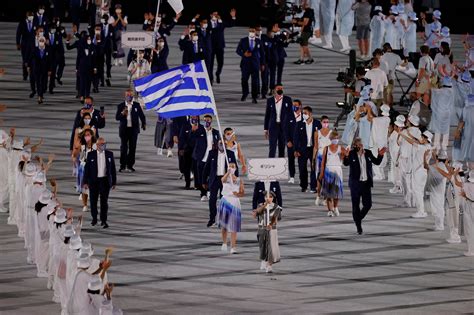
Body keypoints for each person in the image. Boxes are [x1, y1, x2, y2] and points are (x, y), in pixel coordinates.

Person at [343, 137, 386, 234]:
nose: (361, 145)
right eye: (358, 144)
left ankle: (358, 219)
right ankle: (359, 226)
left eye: (361, 143)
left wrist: (380, 155)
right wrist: (345, 156)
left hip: (366, 184)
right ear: (355, 146)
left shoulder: (368, 153)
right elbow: (346, 163)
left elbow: (377, 162)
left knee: (368, 205)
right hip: (355, 184)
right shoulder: (351, 154)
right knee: (355, 206)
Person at [83, 137, 117, 228]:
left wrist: (114, 182)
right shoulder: (91, 155)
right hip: (94, 181)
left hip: (105, 181)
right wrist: (85, 182)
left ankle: (104, 220)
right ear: (97, 145)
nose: (103, 145)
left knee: (104, 202)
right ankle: (94, 219)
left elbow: (113, 169)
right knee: (93, 202)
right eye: (101, 144)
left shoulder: (110, 154)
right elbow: (87, 169)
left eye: (104, 143)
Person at [202, 141, 238, 228]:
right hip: (214, 179)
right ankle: (212, 218)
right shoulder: (212, 153)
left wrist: (235, 179)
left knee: (224, 200)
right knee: (212, 200)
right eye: (220, 143)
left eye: (224, 144)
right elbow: (206, 168)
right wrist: (203, 181)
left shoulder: (230, 154)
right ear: (217, 144)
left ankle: (223, 220)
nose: (222, 145)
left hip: (225, 180)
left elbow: (235, 168)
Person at [115, 90, 146, 172]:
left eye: (131, 95)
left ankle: (130, 165)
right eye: (127, 95)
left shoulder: (136, 105)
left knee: (132, 148)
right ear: (125, 96)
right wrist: (122, 114)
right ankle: (122, 165)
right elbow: (117, 118)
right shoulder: (121, 106)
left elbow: (142, 116)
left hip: (134, 130)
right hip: (124, 130)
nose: (129, 96)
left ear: (133, 96)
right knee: (124, 148)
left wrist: (143, 124)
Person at [217, 163, 244, 254]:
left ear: (236, 168)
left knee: (234, 226)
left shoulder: (239, 180)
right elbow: (222, 180)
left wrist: (238, 194)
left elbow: (242, 193)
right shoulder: (226, 178)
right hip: (225, 201)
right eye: (230, 166)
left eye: (233, 167)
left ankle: (233, 247)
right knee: (224, 225)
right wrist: (228, 173)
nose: (231, 168)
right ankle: (224, 242)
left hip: (235, 202)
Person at [293, 106, 322, 193]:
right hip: (302, 150)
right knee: (302, 168)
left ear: (310, 113)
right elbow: (296, 138)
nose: (304, 115)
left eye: (305, 113)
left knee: (314, 168)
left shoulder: (317, 123)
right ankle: (304, 185)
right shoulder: (299, 124)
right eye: (303, 113)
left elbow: (321, 137)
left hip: (313, 149)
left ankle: (313, 186)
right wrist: (296, 150)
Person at [253, 191, 282, 273]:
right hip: (262, 229)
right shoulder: (260, 205)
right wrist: (265, 204)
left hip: (271, 229)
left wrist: (271, 224)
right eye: (266, 196)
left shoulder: (276, 207)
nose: (268, 198)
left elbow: (276, 218)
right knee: (262, 246)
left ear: (273, 198)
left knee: (271, 247)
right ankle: (263, 260)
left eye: (270, 196)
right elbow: (256, 213)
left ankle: (269, 265)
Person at [192, 115, 219, 201]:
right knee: (201, 177)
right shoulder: (199, 130)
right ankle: (203, 193)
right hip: (202, 158)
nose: (207, 122)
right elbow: (191, 137)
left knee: (212, 177)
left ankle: (209, 191)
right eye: (205, 120)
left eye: (208, 120)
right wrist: (193, 130)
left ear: (211, 121)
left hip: (212, 159)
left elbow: (219, 143)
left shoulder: (215, 132)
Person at [319, 131, 345, 217]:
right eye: (334, 138)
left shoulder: (341, 148)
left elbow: (344, 159)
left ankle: (335, 207)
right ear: (330, 139)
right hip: (328, 170)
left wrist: (345, 155)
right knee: (328, 192)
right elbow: (323, 162)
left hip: (338, 171)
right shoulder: (326, 148)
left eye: (337, 138)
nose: (335, 140)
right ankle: (330, 210)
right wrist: (322, 173)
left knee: (336, 192)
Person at [236, 27, 265, 104]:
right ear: (248, 31)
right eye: (250, 31)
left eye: (253, 31)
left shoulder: (258, 41)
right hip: (245, 64)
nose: (251, 32)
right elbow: (238, 50)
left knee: (255, 81)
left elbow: (262, 53)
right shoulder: (243, 40)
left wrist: (262, 64)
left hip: (255, 64)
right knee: (244, 80)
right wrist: (243, 54)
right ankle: (245, 94)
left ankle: (254, 97)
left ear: (255, 32)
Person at [208, 9, 237, 84]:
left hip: (220, 46)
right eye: (214, 14)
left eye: (217, 14)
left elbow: (231, 24)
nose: (216, 16)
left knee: (220, 62)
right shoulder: (207, 23)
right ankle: (210, 78)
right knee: (210, 64)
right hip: (210, 47)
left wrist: (233, 16)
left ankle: (218, 73)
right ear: (211, 15)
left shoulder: (221, 22)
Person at [264, 84, 292, 158]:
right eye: (278, 88)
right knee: (272, 147)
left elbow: (291, 115)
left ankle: (281, 166)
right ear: (274, 90)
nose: (280, 89)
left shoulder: (288, 99)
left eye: (281, 88)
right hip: (273, 126)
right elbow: (267, 115)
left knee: (282, 147)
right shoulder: (270, 100)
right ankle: (271, 164)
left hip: (284, 127)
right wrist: (266, 129)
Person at [429, 76, 454, 154]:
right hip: (448, 113)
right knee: (446, 129)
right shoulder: (452, 91)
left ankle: (436, 145)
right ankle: (444, 145)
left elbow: (433, 91)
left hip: (440, 113)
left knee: (438, 129)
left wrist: (430, 82)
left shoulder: (440, 91)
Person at [425, 151, 448, 230]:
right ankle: (438, 224)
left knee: (437, 208)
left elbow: (425, 166)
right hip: (441, 191)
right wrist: (435, 156)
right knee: (440, 207)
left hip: (434, 191)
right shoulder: (445, 167)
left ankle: (440, 225)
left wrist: (424, 157)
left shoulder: (434, 166)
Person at [314, 115, 332, 205]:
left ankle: (326, 197)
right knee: (319, 176)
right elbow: (316, 146)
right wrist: (313, 158)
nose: (326, 124)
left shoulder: (331, 133)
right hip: (320, 156)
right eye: (324, 122)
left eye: (327, 122)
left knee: (327, 177)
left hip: (329, 157)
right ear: (321, 122)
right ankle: (318, 196)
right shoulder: (317, 133)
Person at [370, 104, 391, 180]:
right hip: (384, 142)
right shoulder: (388, 119)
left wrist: (369, 110)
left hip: (376, 142)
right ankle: (381, 174)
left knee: (375, 158)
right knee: (382, 158)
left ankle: (378, 175)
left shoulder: (377, 120)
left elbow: (372, 119)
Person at [29, 36, 52, 104]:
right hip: (37, 69)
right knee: (38, 83)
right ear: (38, 42)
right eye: (40, 41)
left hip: (45, 69)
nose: (41, 42)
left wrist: (50, 69)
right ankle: (40, 96)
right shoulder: (35, 50)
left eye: (42, 41)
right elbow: (30, 58)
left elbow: (50, 61)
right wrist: (29, 66)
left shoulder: (48, 50)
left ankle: (41, 93)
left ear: (44, 42)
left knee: (44, 84)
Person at [285, 99, 303, 184]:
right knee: (291, 160)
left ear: (300, 106)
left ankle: (301, 177)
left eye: (296, 105)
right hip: (291, 143)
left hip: (301, 143)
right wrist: (287, 141)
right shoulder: (289, 116)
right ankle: (292, 176)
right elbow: (285, 129)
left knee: (301, 161)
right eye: (293, 105)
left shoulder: (304, 117)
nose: (294, 107)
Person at [17, 11, 36, 81]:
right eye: (30, 16)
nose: (31, 17)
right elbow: (18, 34)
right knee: (25, 60)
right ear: (27, 16)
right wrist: (17, 43)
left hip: (33, 45)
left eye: (32, 16)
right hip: (24, 45)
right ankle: (25, 75)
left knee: (33, 59)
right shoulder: (22, 23)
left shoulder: (35, 23)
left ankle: (33, 75)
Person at [388, 115, 405, 194]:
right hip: (393, 155)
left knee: (398, 172)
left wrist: (398, 159)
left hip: (398, 157)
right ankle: (397, 186)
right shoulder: (394, 133)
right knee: (395, 172)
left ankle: (398, 187)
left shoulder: (402, 134)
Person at [460, 171, 474, 256]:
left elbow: (460, 186)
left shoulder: (466, 185)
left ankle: (471, 250)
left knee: (469, 229)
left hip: (469, 206)